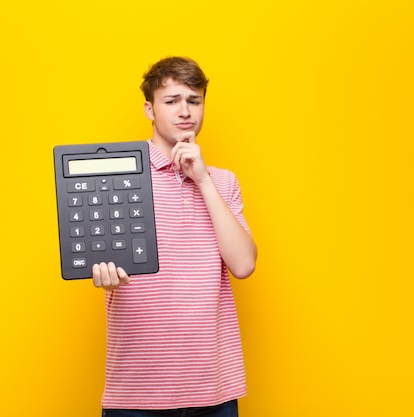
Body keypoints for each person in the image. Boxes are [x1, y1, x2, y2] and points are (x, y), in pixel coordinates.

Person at [92, 56, 257, 417]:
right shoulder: (119, 174)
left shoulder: (222, 182)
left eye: (194, 101)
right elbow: (100, 255)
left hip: (214, 390)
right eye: (172, 101)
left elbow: (243, 264)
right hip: (136, 392)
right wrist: (103, 274)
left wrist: (202, 180)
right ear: (149, 109)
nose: (185, 112)